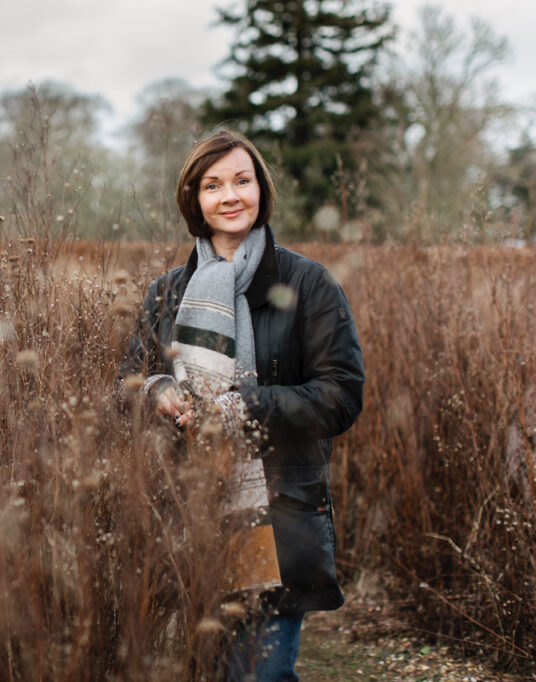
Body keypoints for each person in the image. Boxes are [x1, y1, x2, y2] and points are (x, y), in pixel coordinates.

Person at [119, 129, 365, 681]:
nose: (230, 195)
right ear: (194, 199)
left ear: (261, 189)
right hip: (187, 519)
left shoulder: (307, 283)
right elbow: (127, 383)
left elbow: (341, 396)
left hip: (275, 524)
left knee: (260, 675)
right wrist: (159, 392)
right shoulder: (166, 292)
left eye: (242, 180)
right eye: (213, 184)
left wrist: (241, 409)